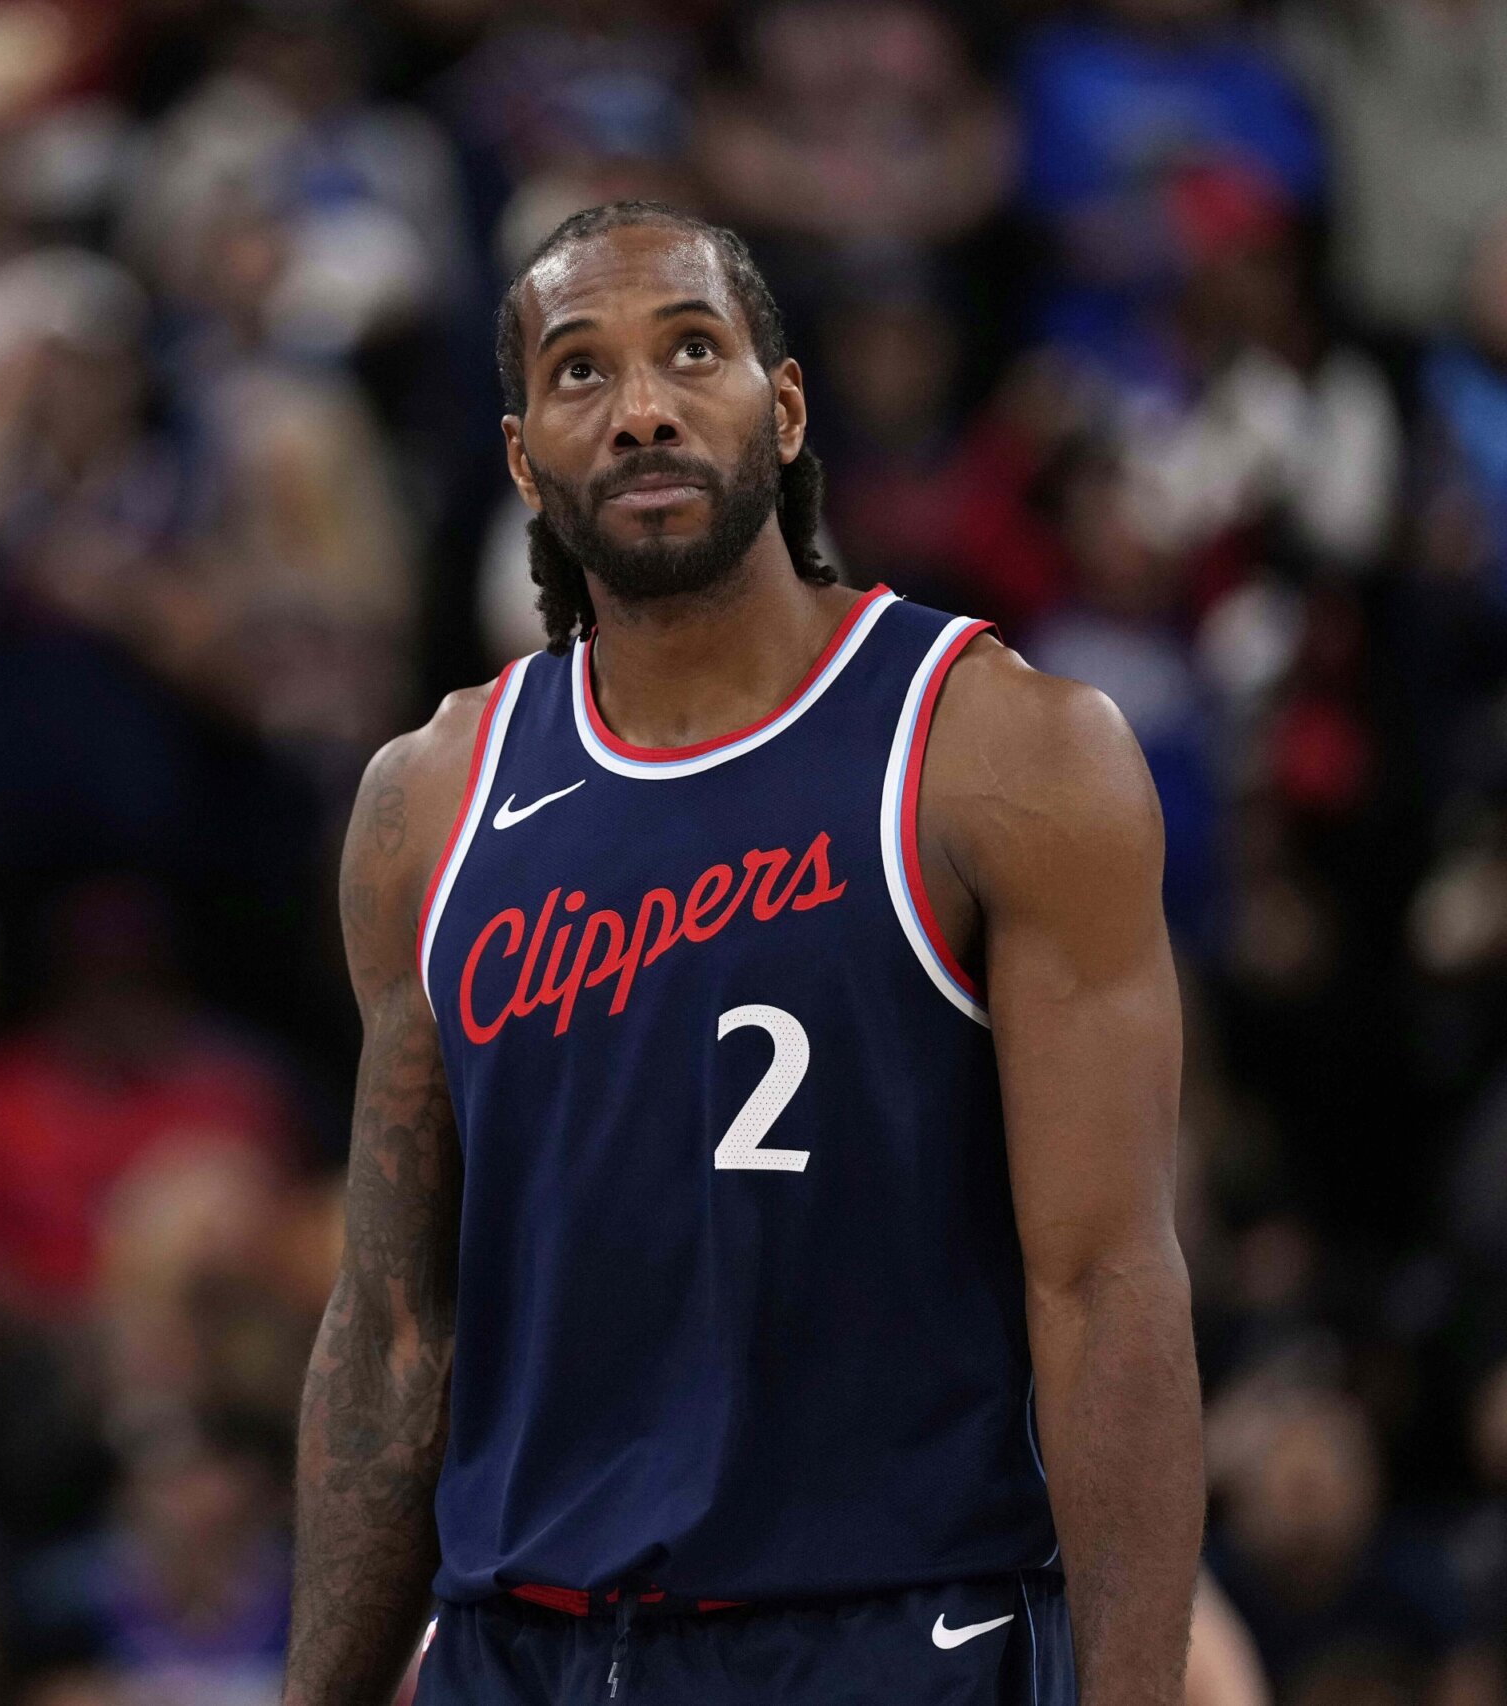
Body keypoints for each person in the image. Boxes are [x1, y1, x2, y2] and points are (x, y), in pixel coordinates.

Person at [285, 202, 1201, 1706]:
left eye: (691, 351)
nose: (641, 408)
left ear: (782, 411)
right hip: (523, 1644)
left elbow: (1107, 1287)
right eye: (580, 371)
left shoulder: (1000, 750)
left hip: (888, 1634)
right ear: (521, 457)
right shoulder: (429, 801)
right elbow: (391, 1332)